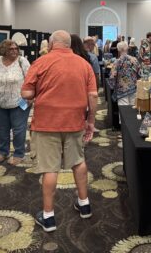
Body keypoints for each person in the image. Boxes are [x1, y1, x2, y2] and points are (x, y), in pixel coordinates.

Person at [21, 30, 97, 233]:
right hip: (75, 122)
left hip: (47, 123)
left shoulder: (41, 62)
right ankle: (85, 204)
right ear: (70, 44)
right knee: (78, 161)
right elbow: (93, 96)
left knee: (50, 169)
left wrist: (42, 91)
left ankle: (48, 216)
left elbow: (26, 93)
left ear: (52, 43)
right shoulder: (84, 64)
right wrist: (90, 121)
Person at [0, 40, 30, 165]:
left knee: (18, 129)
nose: (14, 51)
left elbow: (30, 79)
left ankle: (19, 154)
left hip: (19, 101)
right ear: (3, 50)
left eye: (16, 48)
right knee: (2, 129)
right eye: (11, 49)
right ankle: (3, 152)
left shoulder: (22, 61)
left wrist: (31, 97)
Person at [108, 41, 142, 106]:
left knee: (123, 111)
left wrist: (112, 86)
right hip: (133, 88)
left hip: (122, 90)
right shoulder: (134, 60)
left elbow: (112, 76)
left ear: (118, 50)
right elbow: (140, 73)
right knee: (133, 109)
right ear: (126, 49)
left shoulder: (117, 62)